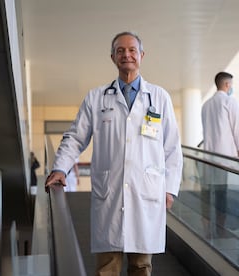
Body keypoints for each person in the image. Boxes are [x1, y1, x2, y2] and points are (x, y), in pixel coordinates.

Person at [45, 31, 183, 276]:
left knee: (141, 266)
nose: (126, 55)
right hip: (109, 193)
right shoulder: (96, 97)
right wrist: (59, 168)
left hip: (146, 192)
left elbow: (172, 147)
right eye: (120, 51)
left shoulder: (159, 97)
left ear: (142, 55)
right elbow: (76, 137)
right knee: (107, 268)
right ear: (112, 57)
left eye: (132, 50)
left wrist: (170, 189)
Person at [200, 71, 239, 239]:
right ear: (227, 85)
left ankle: (209, 230)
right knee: (226, 196)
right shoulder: (229, 102)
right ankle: (223, 229)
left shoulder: (206, 105)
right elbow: (237, 130)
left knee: (211, 194)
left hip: (209, 158)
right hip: (226, 159)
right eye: (231, 85)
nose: (231, 88)